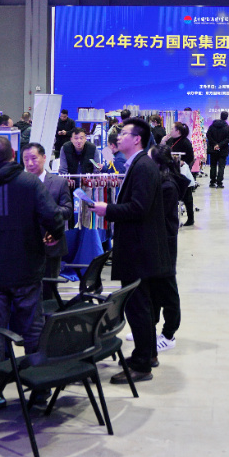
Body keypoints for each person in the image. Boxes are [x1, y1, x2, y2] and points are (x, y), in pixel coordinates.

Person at [0, 135, 66, 387]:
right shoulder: (29, 183)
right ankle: (39, 391)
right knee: (33, 328)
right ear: (14, 155)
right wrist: (53, 234)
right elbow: (53, 216)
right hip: (27, 267)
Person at [92, 118, 169, 383]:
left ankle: (142, 365)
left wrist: (108, 210)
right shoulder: (137, 164)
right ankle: (147, 355)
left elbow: (139, 208)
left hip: (139, 250)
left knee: (138, 307)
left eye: (124, 133)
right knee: (140, 305)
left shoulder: (143, 166)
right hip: (138, 248)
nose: (119, 136)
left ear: (137, 139)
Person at [148, 144, 185, 353]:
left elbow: (157, 215)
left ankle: (169, 334)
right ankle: (149, 328)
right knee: (153, 286)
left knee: (168, 289)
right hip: (156, 241)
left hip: (165, 242)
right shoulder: (160, 181)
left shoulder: (168, 186)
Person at [22, 141, 74, 282]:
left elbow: (68, 210)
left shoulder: (59, 182)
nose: (30, 163)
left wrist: (47, 211)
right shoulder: (19, 183)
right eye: (26, 159)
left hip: (51, 245)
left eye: (34, 158)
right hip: (25, 247)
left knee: (49, 288)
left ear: (44, 158)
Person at [164, 123, 196, 226]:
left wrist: (182, 161)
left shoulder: (185, 142)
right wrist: (163, 142)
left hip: (182, 172)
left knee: (187, 196)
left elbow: (190, 157)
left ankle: (190, 218)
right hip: (170, 171)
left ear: (178, 131)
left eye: (172, 129)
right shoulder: (170, 140)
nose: (170, 130)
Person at [206, 111, 229, 188]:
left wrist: (215, 144)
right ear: (226, 117)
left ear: (220, 116)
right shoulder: (228, 127)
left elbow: (208, 135)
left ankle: (212, 182)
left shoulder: (212, 126)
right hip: (223, 149)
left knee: (213, 166)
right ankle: (219, 183)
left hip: (213, 149)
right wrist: (220, 145)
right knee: (221, 166)